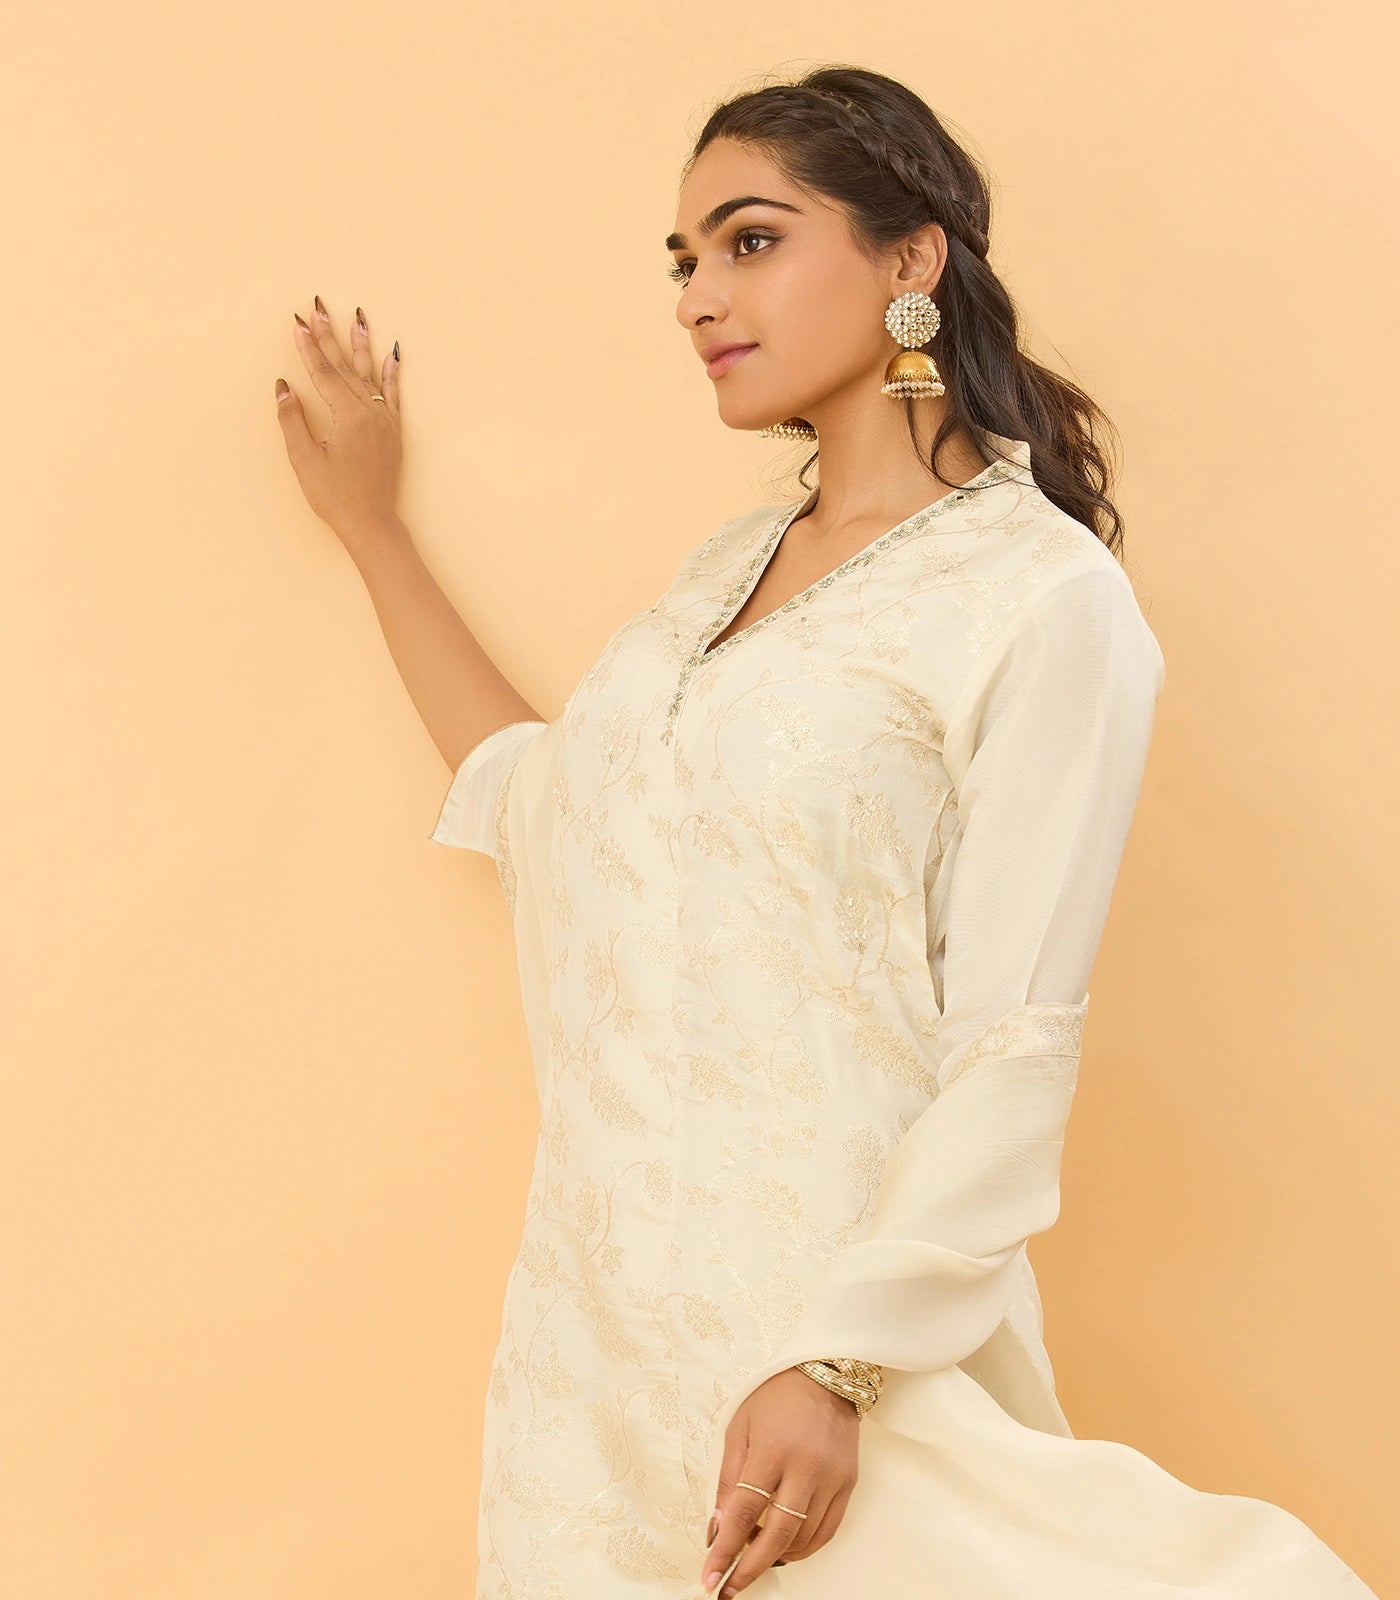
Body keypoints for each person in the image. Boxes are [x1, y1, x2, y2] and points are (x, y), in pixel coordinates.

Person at [275, 62, 1378, 1600]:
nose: (697, 297)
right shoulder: (716, 579)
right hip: (591, 1383)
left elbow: (1013, 1044)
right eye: (684, 261)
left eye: (750, 240)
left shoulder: (1040, 598)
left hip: (826, 1375)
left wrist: (839, 1366)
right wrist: (372, 530)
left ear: (910, 258)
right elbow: (551, 808)